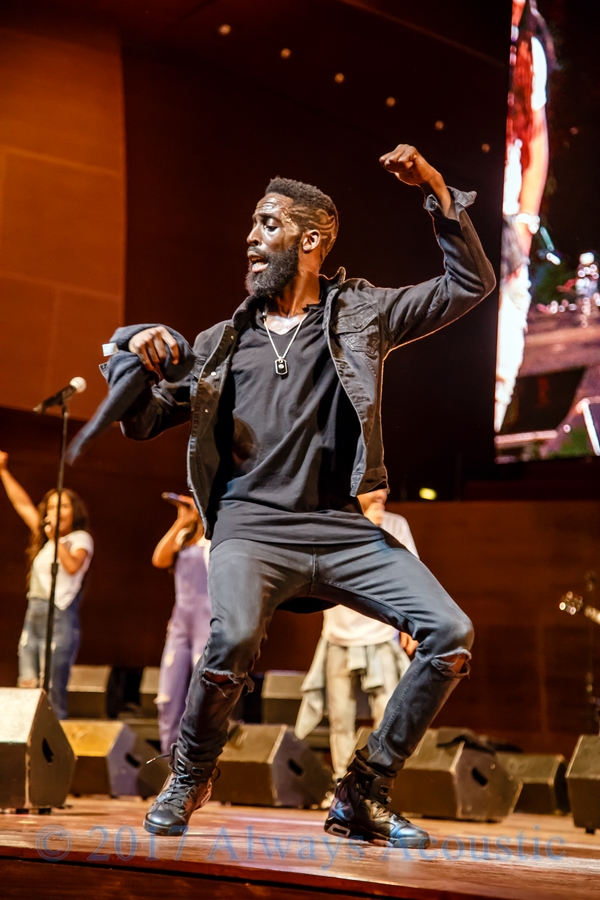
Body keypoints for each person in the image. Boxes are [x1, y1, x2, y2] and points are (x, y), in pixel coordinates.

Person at [113, 141, 495, 846]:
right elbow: (141, 422)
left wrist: (437, 188)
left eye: (267, 225)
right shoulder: (219, 344)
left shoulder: (363, 315)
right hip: (251, 528)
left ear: (312, 240)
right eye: (252, 225)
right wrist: (133, 354)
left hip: (339, 528)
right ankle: (190, 773)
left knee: (450, 632)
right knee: (231, 637)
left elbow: (468, 283)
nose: (250, 238)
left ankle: (364, 791)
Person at [296, 489, 419, 782]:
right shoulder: (332, 524)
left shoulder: (396, 525)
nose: (382, 492)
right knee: (340, 719)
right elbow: (324, 573)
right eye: (374, 486)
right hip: (338, 637)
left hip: (380, 635)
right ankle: (342, 782)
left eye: (385, 486)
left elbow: (412, 576)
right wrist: (363, 527)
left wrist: (412, 623)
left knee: (387, 716)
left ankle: (379, 781)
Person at [495, 0, 555, 432]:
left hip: (505, 230)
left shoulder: (528, 48)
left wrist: (523, 227)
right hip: (457, 218)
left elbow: (536, 143)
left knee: (501, 368)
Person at [0, 451, 93, 719]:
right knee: (27, 686)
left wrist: (53, 538)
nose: (55, 512)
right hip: (34, 614)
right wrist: (3, 471)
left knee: (51, 692)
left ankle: (54, 742)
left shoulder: (80, 539)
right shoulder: (46, 538)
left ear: (74, 511)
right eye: (51, 507)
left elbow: (73, 566)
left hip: (59, 617)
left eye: (62, 507)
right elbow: (23, 505)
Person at [152, 495, 211, 753]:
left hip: (207, 622)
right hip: (180, 623)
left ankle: (197, 761)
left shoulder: (214, 537)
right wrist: (181, 522)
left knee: (200, 694)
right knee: (167, 697)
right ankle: (170, 762)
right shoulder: (184, 536)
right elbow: (159, 559)